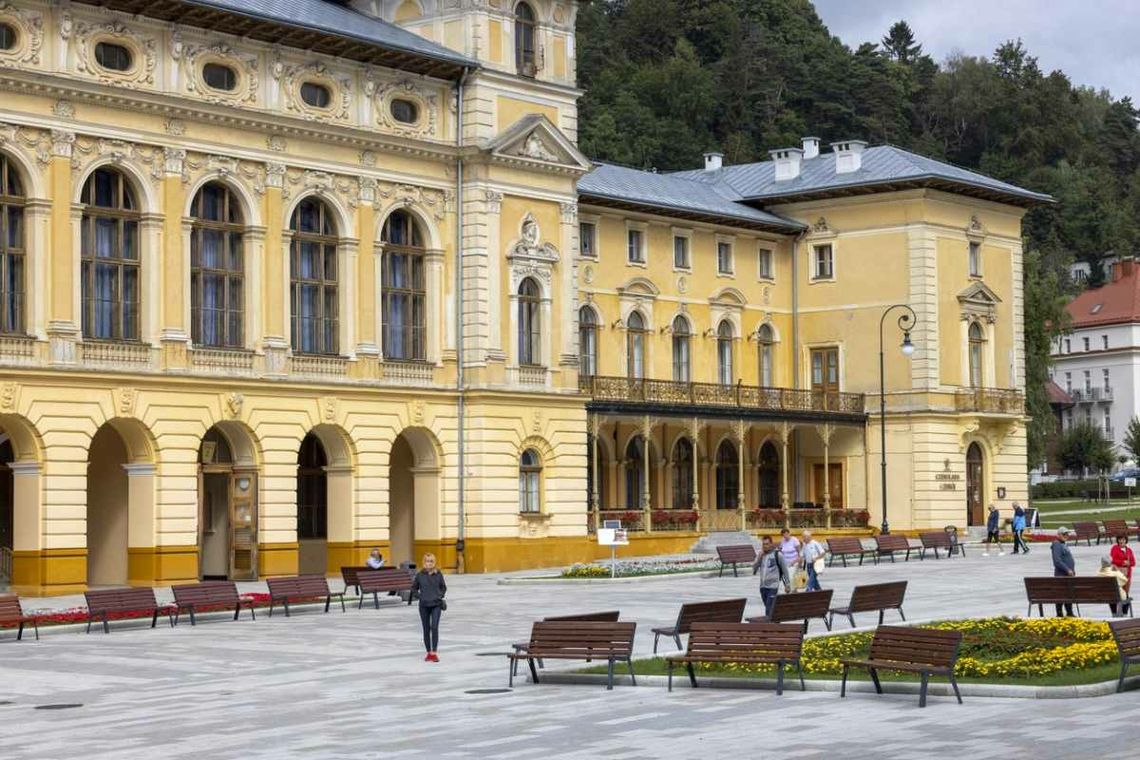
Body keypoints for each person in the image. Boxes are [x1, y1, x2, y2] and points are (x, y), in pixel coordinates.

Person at [411, 553, 447, 662]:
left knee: (434, 627)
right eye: (427, 561)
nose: (429, 563)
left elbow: (443, 587)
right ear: (424, 563)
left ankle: (434, 652)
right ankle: (428, 652)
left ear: (434, 563)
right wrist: (420, 596)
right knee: (426, 629)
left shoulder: (438, 574)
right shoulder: (420, 575)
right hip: (424, 606)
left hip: (436, 604)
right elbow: (413, 589)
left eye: (431, 561)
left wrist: (439, 595)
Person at [751, 535, 791, 618]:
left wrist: (787, 584)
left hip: (773, 586)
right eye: (764, 544)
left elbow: (785, 570)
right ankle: (776, 621)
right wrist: (759, 557)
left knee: (769, 608)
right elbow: (754, 569)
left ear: (771, 544)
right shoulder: (761, 555)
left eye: (767, 544)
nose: (765, 546)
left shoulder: (778, 555)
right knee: (769, 607)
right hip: (762, 586)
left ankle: (769, 626)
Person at [1051, 527, 1076, 617]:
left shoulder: (1063, 544)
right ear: (1059, 535)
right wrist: (1067, 569)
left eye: (1067, 534)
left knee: (1068, 594)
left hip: (1068, 576)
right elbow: (1057, 561)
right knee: (1062, 594)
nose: (1066, 536)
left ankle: (1069, 612)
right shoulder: (1056, 544)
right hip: (1062, 575)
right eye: (1064, 534)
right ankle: (1060, 613)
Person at [1110, 534, 1136, 613]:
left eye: (1123, 539)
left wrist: (1128, 563)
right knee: (1116, 593)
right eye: (1120, 539)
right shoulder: (1115, 548)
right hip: (1118, 574)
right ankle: (1114, 612)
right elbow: (1113, 560)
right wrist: (1123, 562)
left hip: (1127, 575)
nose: (1122, 541)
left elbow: (1133, 562)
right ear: (1117, 540)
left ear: (1126, 540)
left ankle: (1124, 613)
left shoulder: (1129, 550)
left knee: (1125, 594)